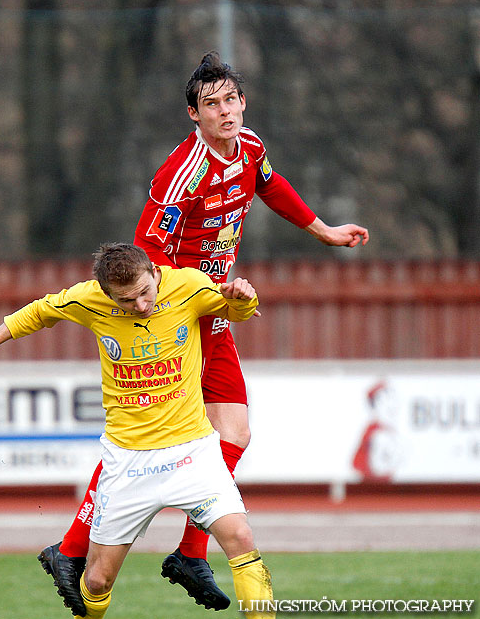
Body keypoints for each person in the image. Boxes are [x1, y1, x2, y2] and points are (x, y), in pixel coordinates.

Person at [40, 51, 370, 614]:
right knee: (142, 434)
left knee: (235, 432)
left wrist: (323, 231)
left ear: (243, 102)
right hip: (181, 314)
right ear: (193, 114)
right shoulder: (181, 175)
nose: (224, 111)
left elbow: (271, 185)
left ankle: (184, 553)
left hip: (213, 309)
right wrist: (163, 309)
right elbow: (147, 254)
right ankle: (75, 549)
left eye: (230, 100)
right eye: (210, 104)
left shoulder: (251, 149)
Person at [0, 243, 273, 619]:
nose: (141, 305)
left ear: (153, 271)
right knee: (98, 580)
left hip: (193, 452)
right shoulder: (88, 300)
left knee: (242, 539)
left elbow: (237, 312)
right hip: (128, 462)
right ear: (104, 292)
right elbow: (38, 312)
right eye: (126, 300)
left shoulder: (189, 286)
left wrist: (243, 298)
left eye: (145, 292)